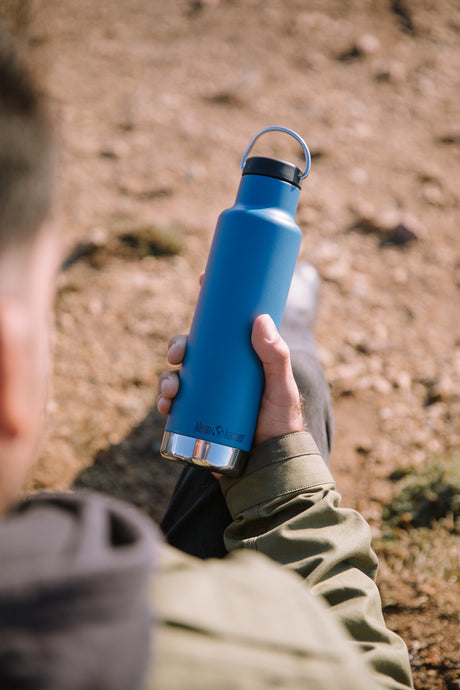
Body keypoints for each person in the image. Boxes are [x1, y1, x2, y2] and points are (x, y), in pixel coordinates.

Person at [0, 24, 414, 690]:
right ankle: (291, 323)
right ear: (7, 372)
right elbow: (364, 670)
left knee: (260, 375)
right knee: (291, 378)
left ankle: (286, 320)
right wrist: (284, 489)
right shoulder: (253, 660)